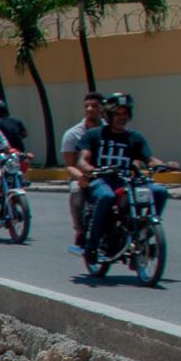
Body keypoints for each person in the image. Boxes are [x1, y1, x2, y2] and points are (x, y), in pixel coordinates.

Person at [81, 93, 173, 256]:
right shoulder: (94, 135)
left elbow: (149, 158)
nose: (121, 117)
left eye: (124, 114)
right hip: (102, 180)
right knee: (106, 197)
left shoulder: (134, 137)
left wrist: (162, 165)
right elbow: (82, 159)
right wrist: (88, 168)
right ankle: (92, 245)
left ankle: (145, 232)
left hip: (128, 181)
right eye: (117, 114)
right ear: (108, 115)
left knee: (160, 192)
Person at [59, 92, 105, 253]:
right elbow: (69, 166)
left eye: (94, 106)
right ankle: (79, 231)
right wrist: (81, 177)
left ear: (103, 109)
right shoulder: (72, 134)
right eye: (87, 106)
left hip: (108, 176)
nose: (90, 109)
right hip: (83, 176)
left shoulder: (111, 129)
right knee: (76, 191)